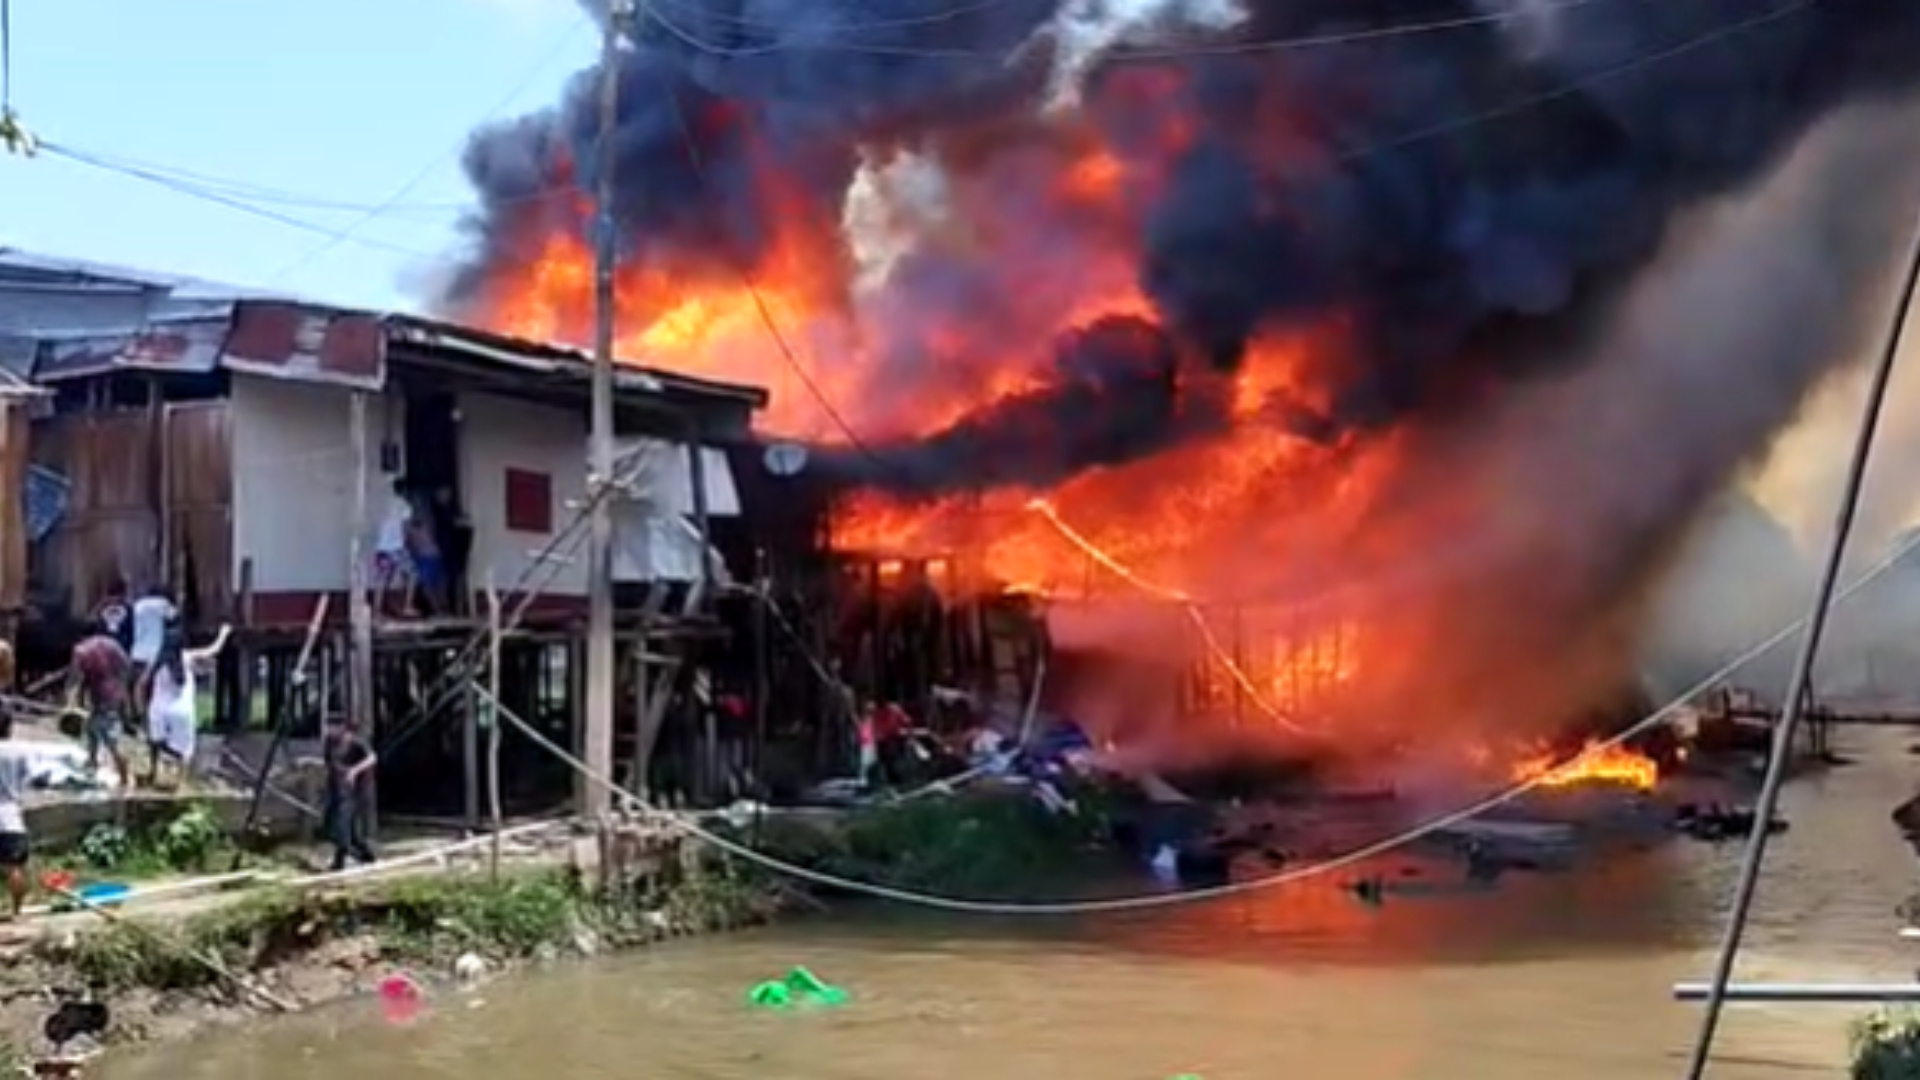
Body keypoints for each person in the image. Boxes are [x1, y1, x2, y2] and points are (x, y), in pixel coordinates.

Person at [137, 621, 230, 788]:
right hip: (181, 711)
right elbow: (213, 650)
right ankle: (181, 782)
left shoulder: (155, 661)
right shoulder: (187, 657)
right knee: (185, 750)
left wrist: (140, 708)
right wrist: (223, 633)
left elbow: (142, 684)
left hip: (158, 709)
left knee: (155, 743)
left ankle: (153, 773)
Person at [68, 633, 133, 789]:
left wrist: (72, 704)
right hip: (112, 692)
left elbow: (76, 680)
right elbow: (126, 667)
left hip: (105, 695)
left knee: (108, 735)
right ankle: (92, 763)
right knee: (92, 728)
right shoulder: (105, 647)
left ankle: (124, 776)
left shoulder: (81, 653)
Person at [322, 714, 378, 872]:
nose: (329, 730)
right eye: (328, 727)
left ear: (341, 727)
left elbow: (372, 758)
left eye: (332, 727)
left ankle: (339, 862)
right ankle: (366, 856)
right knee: (348, 830)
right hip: (335, 789)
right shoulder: (329, 742)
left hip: (353, 792)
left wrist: (354, 771)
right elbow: (330, 764)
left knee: (342, 827)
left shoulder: (354, 741)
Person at [0, 710, 29, 921]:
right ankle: (17, 912)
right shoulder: (18, 751)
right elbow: (26, 779)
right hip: (11, 817)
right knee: (15, 868)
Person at [374, 478, 418, 618]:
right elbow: (406, 528)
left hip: (382, 547)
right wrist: (409, 544)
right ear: (405, 491)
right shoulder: (405, 506)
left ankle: (377, 610)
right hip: (396, 547)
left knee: (383, 579)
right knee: (413, 574)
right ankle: (407, 605)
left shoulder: (384, 504)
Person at [128, 585, 177, 686]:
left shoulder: (138, 604)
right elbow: (174, 616)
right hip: (155, 648)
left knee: (137, 677)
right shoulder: (162, 603)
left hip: (137, 649)